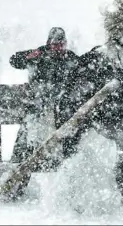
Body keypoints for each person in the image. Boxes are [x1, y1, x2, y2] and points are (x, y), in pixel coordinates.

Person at [9, 27, 80, 165]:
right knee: (30, 125)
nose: (58, 48)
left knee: (70, 124)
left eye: (61, 45)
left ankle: (67, 158)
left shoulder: (70, 58)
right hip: (38, 102)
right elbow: (14, 60)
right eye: (55, 45)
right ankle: (19, 159)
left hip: (62, 103)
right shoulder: (39, 54)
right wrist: (27, 57)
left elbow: (82, 70)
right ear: (49, 44)